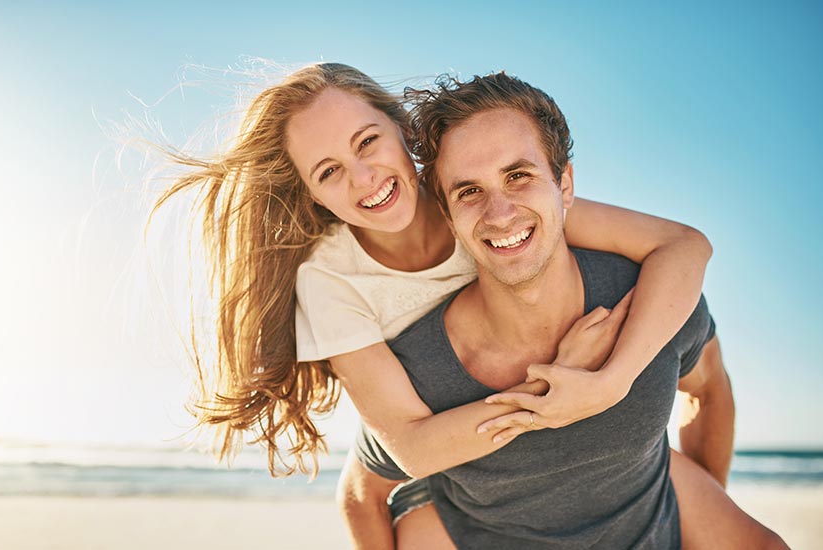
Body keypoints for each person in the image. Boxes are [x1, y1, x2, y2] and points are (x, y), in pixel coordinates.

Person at [151, 63, 777, 547]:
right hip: (427, 422)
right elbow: (411, 451)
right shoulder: (331, 280)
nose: (364, 178)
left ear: (406, 135)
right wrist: (558, 382)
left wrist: (611, 382)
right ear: (313, 196)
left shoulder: (479, 191)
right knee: (370, 481)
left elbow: (682, 245)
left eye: (368, 142)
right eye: (329, 172)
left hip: (495, 397)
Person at [344, 71, 787, 548]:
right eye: (469, 191)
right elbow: (360, 495)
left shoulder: (647, 298)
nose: (500, 213)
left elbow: (710, 391)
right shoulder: (421, 367)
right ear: (448, 218)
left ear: (565, 185)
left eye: (518, 176)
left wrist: (699, 509)